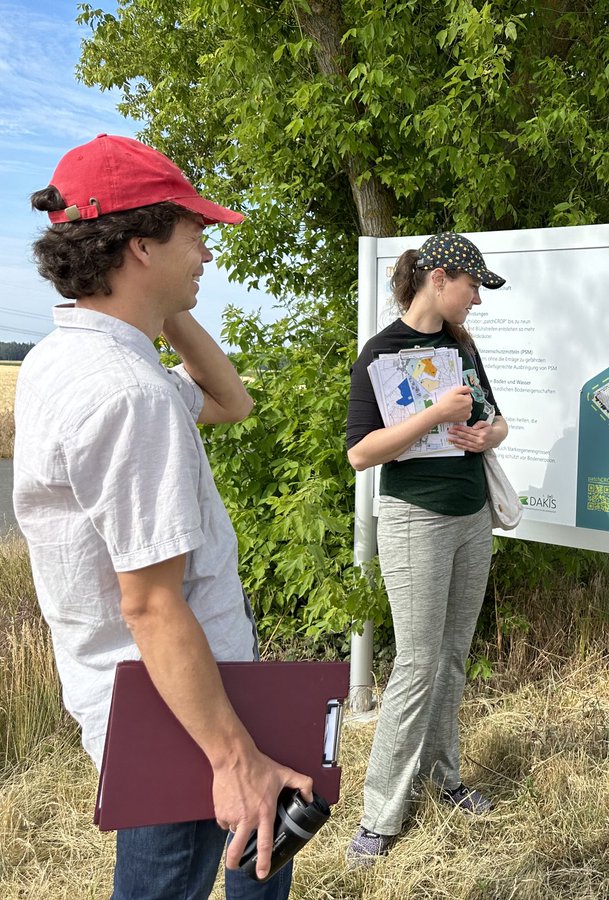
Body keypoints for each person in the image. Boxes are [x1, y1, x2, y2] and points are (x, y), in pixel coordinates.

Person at [13, 135, 313, 897]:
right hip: (178, 710)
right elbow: (149, 602)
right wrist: (232, 757)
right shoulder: (128, 393)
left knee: (231, 868)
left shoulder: (72, 358)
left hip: (157, 695)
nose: (207, 250)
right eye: (193, 231)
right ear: (141, 245)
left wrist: (163, 309)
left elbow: (230, 402)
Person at [344, 232, 510, 864]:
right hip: (415, 519)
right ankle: (379, 814)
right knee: (416, 663)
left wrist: (487, 434)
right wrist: (434, 415)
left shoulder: (462, 347)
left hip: (472, 516)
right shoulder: (381, 353)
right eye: (472, 287)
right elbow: (361, 453)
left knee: (452, 656)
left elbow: (497, 419)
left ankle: (444, 777)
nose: (476, 300)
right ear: (438, 279)